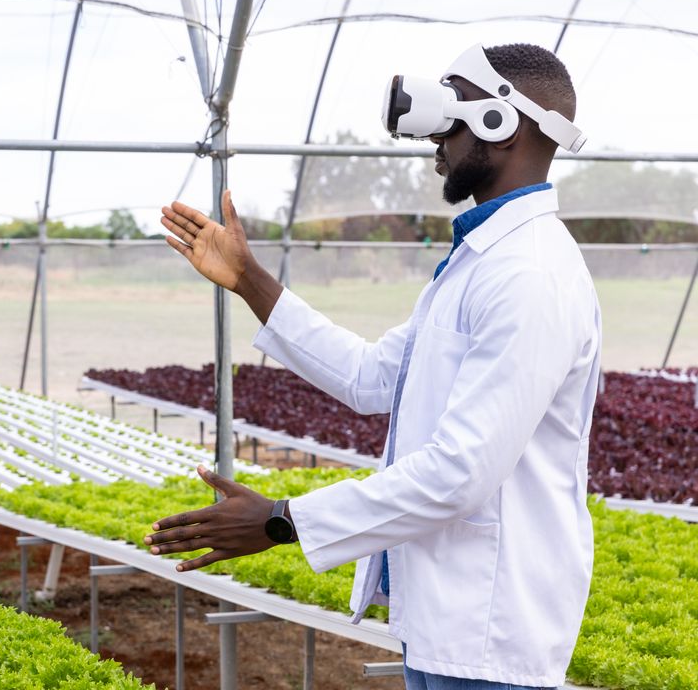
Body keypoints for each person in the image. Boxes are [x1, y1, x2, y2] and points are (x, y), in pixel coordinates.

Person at [145, 43, 601, 690]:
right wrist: (249, 280)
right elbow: (371, 378)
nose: (435, 141)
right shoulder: (484, 261)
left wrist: (282, 519)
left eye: (451, 117)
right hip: (451, 621)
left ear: (503, 125)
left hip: (492, 632)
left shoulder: (528, 275)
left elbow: (460, 473)